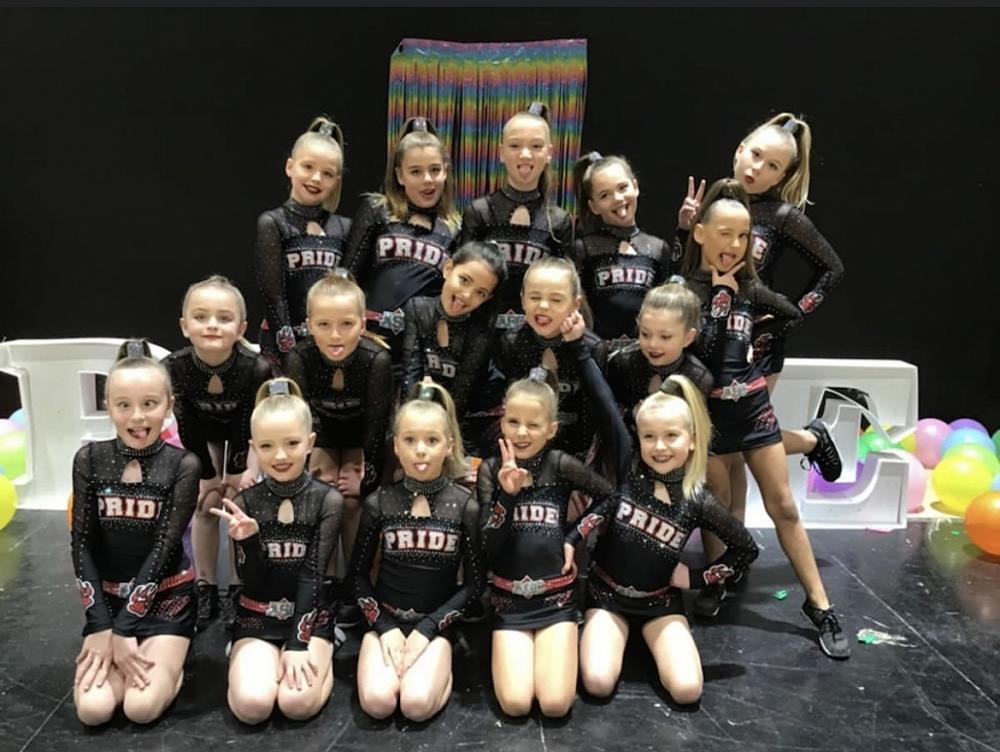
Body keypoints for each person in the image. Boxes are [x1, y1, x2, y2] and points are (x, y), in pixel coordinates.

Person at [679, 178, 849, 659]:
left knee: (784, 507)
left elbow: (791, 312)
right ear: (700, 233)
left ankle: (820, 605)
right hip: (709, 419)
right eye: (724, 233)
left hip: (754, 412)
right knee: (718, 507)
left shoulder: (753, 290)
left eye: (742, 236)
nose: (734, 245)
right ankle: (717, 581)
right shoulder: (681, 290)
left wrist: (768, 333)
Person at [563, 310, 757, 703]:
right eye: (650, 436)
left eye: (671, 436)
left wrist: (698, 578)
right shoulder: (628, 466)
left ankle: (648, 640)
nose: (660, 446)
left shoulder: (697, 498)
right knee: (598, 682)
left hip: (660, 601)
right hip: (607, 594)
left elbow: (746, 549)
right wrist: (571, 538)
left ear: (692, 440)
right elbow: (603, 401)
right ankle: (614, 637)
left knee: (687, 690)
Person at [71, 340, 200, 725]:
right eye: (123, 404)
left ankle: (175, 664)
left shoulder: (183, 465)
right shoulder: (89, 459)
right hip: (109, 602)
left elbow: (165, 548)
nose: (137, 416)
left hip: (167, 598)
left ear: (169, 406)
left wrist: (126, 628)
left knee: (140, 708)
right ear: (108, 406)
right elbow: (81, 544)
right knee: (93, 711)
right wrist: (100, 624)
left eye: (149, 403)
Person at [478, 370, 614, 717]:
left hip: (556, 599)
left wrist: (573, 535)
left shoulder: (561, 464)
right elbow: (487, 544)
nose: (522, 432)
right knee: (515, 704)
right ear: (502, 421)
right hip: (508, 600)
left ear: (551, 429)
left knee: (555, 705)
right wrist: (507, 496)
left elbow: (610, 497)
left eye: (534, 425)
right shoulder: (490, 469)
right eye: (513, 422)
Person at [210, 378, 343, 724]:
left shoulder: (328, 500)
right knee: (253, 707)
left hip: (310, 615)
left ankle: (326, 647)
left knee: (296, 705)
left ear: (310, 443)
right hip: (258, 614)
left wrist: (298, 642)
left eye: (292, 443)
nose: (280, 456)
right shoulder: (245, 502)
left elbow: (313, 574)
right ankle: (247, 655)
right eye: (267, 446)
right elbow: (253, 583)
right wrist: (249, 542)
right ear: (254, 448)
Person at [351, 382, 482, 721]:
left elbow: (474, 585)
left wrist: (428, 629)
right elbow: (357, 578)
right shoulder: (379, 502)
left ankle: (444, 667)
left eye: (431, 441)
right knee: (378, 703)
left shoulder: (465, 506)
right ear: (396, 445)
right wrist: (383, 626)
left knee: (416, 705)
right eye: (409, 440)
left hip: (435, 625)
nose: (420, 450)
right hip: (387, 621)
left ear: (448, 446)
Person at [284, 271, 394, 626]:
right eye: (324, 325)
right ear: (308, 325)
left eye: (346, 324)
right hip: (323, 435)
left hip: (362, 437)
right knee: (325, 496)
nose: (335, 335)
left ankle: (357, 585)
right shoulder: (299, 357)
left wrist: (367, 478)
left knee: (353, 500)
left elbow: (377, 427)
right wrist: (312, 476)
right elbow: (303, 422)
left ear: (362, 324)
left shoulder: (375, 359)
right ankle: (323, 585)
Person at [163, 275, 270, 632]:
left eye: (224, 318)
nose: (212, 325)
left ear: (241, 328)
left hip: (246, 437)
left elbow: (248, 424)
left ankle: (239, 587)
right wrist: (206, 476)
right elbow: (188, 426)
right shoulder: (175, 367)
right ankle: (204, 585)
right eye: (201, 317)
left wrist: (240, 471)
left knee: (239, 501)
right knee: (205, 503)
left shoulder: (255, 367)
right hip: (202, 436)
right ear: (184, 326)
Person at [341, 117, 460, 381]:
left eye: (435, 170)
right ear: (399, 175)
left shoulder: (453, 229)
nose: (427, 180)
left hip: (418, 352)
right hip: (369, 343)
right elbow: (347, 276)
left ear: (446, 171)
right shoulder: (377, 210)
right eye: (416, 171)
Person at [459, 102, 573, 332]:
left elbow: (565, 290)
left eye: (536, 146)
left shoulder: (558, 221)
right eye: (515, 145)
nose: (525, 154)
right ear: (501, 153)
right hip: (482, 334)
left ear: (549, 153)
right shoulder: (479, 212)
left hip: (535, 336)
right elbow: (462, 281)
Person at [254, 116, 351, 369]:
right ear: (290, 167)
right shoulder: (273, 223)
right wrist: (290, 352)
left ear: (337, 180)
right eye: (308, 167)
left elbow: (348, 295)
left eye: (327, 174)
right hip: (282, 344)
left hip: (329, 344)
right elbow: (274, 297)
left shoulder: (343, 228)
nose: (316, 178)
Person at [494, 257, 607, 462]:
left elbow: (593, 419)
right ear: (522, 299)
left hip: (575, 456)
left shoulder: (592, 348)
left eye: (556, 300)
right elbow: (507, 411)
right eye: (534, 297)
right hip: (523, 450)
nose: (543, 306)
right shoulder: (511, 342)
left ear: (575, 304)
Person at [572, 153, 670, 348]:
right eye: (604, 195)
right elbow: (576, 308)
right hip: (597, 353)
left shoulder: (658, 249)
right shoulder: (584, 249)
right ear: (593, 206)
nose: (617, 198)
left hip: (645, 354)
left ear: (635, 186)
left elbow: (667, 310)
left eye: (623, 188)